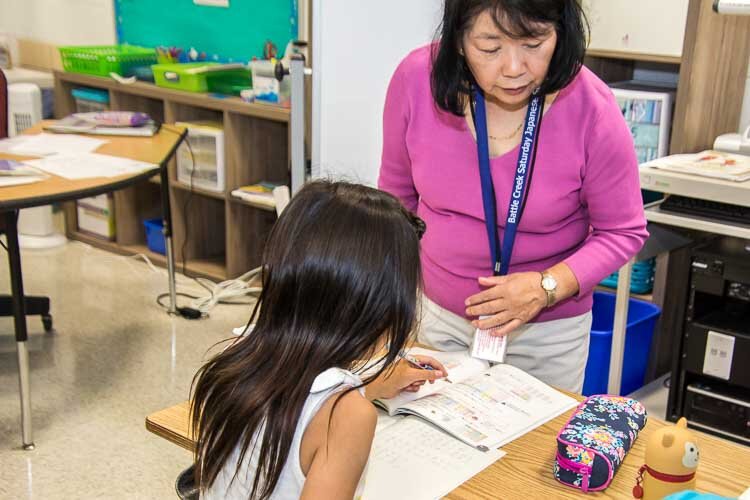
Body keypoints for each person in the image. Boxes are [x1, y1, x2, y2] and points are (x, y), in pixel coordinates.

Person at [379, 0, 648, 393]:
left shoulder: (593, 110)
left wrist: (546, 287)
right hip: (436, 316)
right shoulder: (416, 79)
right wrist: (390, 302)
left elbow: (623, 231)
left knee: (529, 453)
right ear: (458, 40)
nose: (514, 68)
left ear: (561, 33)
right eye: (490, 47)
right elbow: (395, 198)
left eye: (533, 43)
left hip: (545, 334)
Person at [191, 180, 447, 500]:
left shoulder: (236, 358)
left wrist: (369, 385)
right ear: (381, 305)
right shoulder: (348, 415)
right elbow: (325, 416)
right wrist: (355, 398)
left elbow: (302, 403)